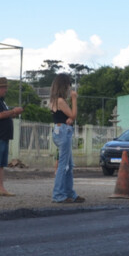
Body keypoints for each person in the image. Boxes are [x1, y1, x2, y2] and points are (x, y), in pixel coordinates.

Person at [49, 73, 84, 203]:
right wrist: (74, 99)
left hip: (59, 130)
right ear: (64, 86)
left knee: (68, 164)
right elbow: (73, 115)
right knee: (64, 165)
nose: (70, 89)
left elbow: (68, 117)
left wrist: (69, 118)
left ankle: (70, 193)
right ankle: (58, 194)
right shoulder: (60, 101)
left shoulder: (54, 100)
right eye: (69, 86)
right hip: (63, 131)